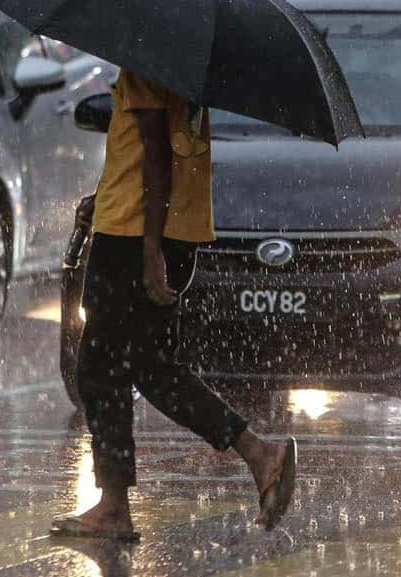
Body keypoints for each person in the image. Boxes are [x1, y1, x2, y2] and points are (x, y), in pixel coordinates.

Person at [51, 69, 297, 540]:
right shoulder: (181, 66)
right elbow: (152, 152)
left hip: (134, 237)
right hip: (169, 229)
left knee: (100, 369)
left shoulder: (145, 56)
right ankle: (257, 454)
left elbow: (157, 158)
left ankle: (115, 507)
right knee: (150, 368)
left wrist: (148, 255)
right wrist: (103, 198)